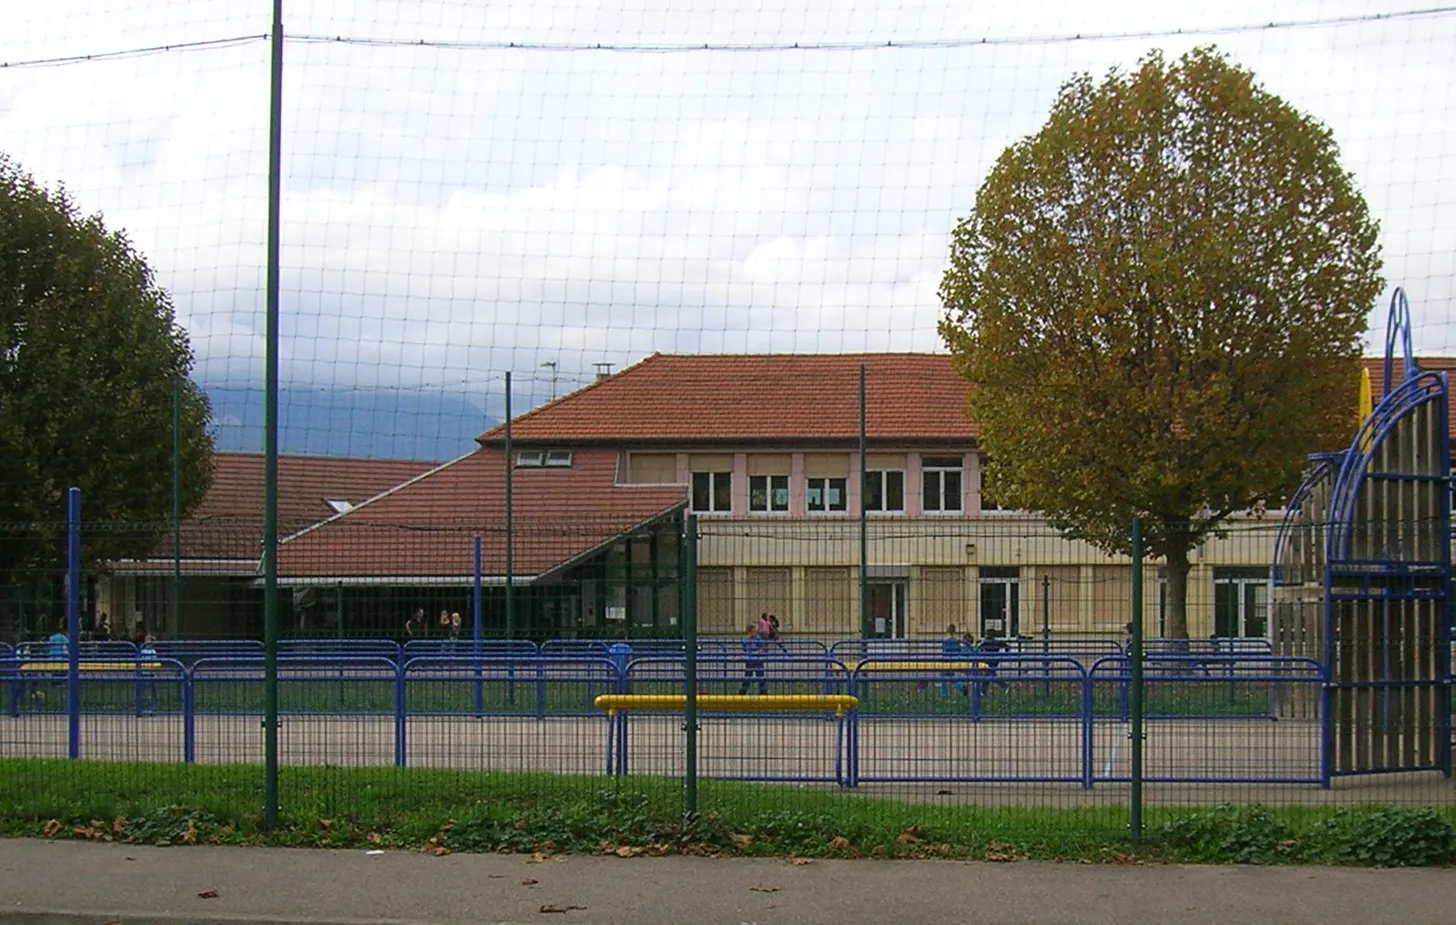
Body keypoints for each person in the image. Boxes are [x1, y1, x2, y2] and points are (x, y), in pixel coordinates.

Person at [738, 623, 768, 696]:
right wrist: (756, 652)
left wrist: (756, 652)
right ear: (749, 632)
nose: (755, 633)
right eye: (753, 631)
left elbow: (762, 649)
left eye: (755, 631)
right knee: (747, 677)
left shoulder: (759, 639)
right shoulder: (746, 640)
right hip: (750, 661)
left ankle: (763, 691)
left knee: (761, 677)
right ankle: (743, 691)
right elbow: (747, 651)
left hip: (758, 661)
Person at [939, 624, 961, 697]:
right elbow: (959, 651)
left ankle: (944, 694)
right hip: (954, 660)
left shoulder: (945, 641)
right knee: (951, 676)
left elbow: (944, 651)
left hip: (946, 661)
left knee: (943, 678)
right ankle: (961, 686)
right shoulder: (957, 641)